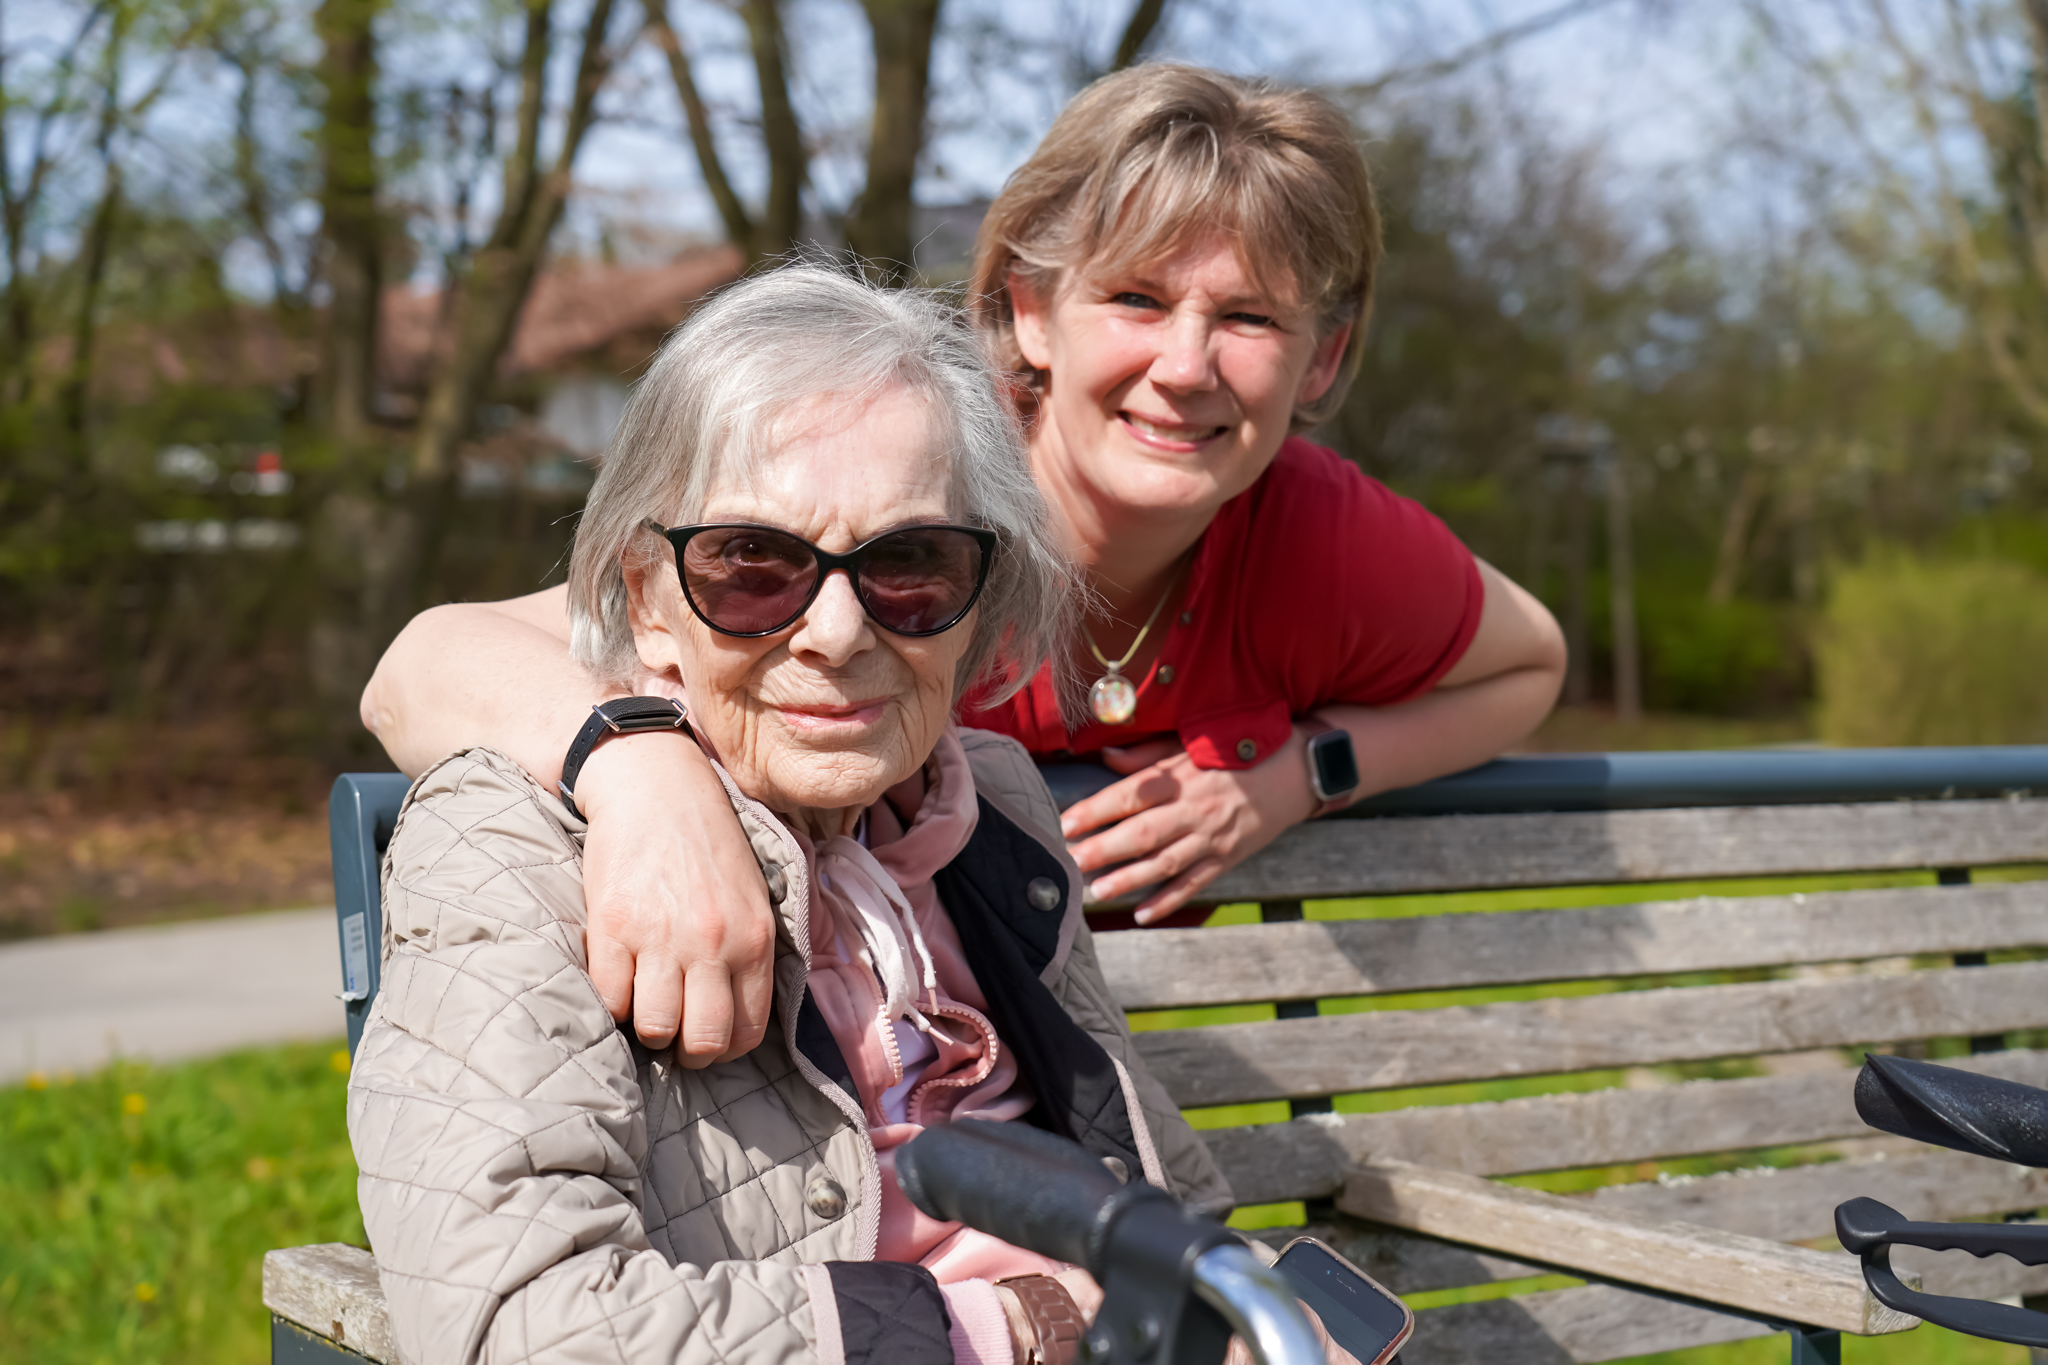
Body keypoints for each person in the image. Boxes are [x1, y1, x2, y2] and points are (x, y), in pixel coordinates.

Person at [360, 64, 1565, 1067]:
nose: (1188, 364)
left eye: (1248, 318)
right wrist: (642, 775)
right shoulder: (908, 501)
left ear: (1319, 359)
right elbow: (418, 668)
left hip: (1092, 1112)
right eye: (1136, 298)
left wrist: (1300, 776)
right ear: (1030, 310)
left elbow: (1528, 665)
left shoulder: (1318, 535)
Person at [349, 267, 1258, 1365]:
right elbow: (523, 1328)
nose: (834, 633)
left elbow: (1161, 1183)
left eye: (911, 563)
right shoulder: (513, 844)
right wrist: (1019, 1329)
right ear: (647, 597)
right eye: (752, 566)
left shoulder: (987, 806)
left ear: (977, 597)